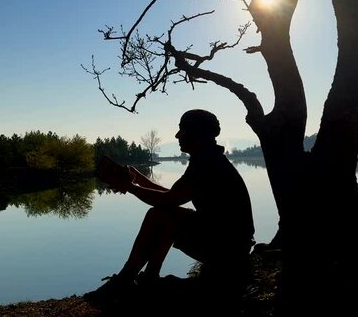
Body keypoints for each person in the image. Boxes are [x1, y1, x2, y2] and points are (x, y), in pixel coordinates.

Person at [86, 109, 255, 305]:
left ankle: (130, 279)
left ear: (196, 132)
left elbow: (169, 199)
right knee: (164, 214)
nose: (177, 136)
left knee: (159, 215)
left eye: (181, 130)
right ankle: (144, 279)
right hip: (229, 244)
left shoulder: (207, 163)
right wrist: (140, 180)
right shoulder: (208, 159)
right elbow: (173, 196)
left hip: (229, 251)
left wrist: (130, 187)